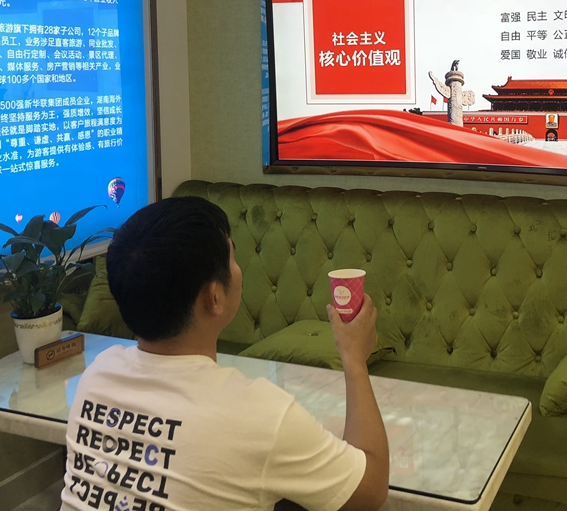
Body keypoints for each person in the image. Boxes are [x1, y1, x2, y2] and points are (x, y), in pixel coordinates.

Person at [60, 196, 389, 511]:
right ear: (214, 297)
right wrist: (354, 358)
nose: (237, 268)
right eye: (232, 258)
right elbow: (370, 491)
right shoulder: (261, 416)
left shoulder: (95, 378)